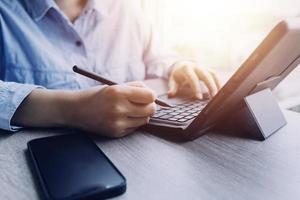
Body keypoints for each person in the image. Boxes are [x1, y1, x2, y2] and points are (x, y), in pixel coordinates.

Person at [0, 0, 220, 138]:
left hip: (138, 155)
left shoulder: (127, 8)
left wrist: (176, 66)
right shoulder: (5, 13)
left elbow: (155, 57)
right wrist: (73, 110)